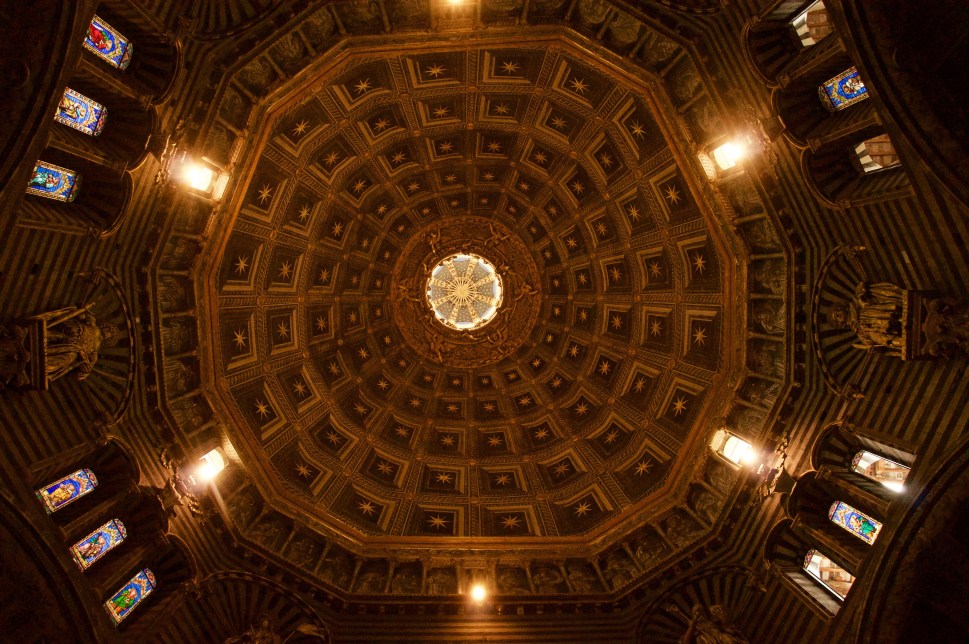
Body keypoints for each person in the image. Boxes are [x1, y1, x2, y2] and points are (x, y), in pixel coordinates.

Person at [828, 281, 905, 354]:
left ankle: (899, 318)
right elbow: (870, 343)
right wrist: (874, 348)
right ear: (840, 324)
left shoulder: (856, 304)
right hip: (882, 333)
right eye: (836, 317)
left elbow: (861, 288)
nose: (838, 315)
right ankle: (900, 340)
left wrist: (861, 294)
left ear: (842, 308)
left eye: (837, 312)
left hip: (875, 313)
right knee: (878, 337)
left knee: (876, 315)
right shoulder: (859, 332)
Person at [44, 310, 118, 381]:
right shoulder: (93, 323)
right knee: (68, 332)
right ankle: (45, 333)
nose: (108, 333)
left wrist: (85, 370)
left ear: (108, 339)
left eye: (110, 335)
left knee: (69, 357)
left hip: (73, 349)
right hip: (76, 330)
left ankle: (45, 364)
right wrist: (82, 315)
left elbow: (84, 372)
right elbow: (83, 316)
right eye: (108, 330)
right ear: (105, 326)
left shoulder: (95, 351)